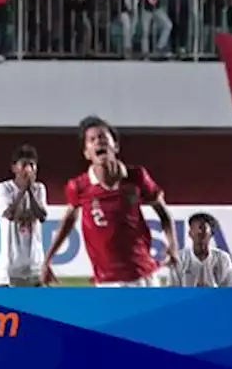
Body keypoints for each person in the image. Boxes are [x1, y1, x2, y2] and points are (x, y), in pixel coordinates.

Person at [41, 116, 178, 287]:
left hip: (143, 275)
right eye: (92, 140)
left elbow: (163, 213)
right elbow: (69, 219)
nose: (98, 141)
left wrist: (173, 246)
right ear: (86, 153)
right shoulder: (78, 186)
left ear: (116, 146)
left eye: (103, 137)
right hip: (106, 282)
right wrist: (48, 259)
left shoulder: (137, 177)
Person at [0, 145, 47, 287]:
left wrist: (30, 189)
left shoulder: (39, 189)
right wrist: (23, 189)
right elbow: (9, 214)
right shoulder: (4, 188)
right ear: (14, 168)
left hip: (34, 263)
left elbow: (42, 216)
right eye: (24, 165)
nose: (28, 169)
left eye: (32, 165)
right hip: (10, 265)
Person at [172, 213, 232, 287]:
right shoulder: (180, 258)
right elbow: (172, 291)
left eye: (203, 228)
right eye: (195, 228)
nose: (199, 232)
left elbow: (231, 290)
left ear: (211, 233)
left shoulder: (222, 258)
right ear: (190, 233)